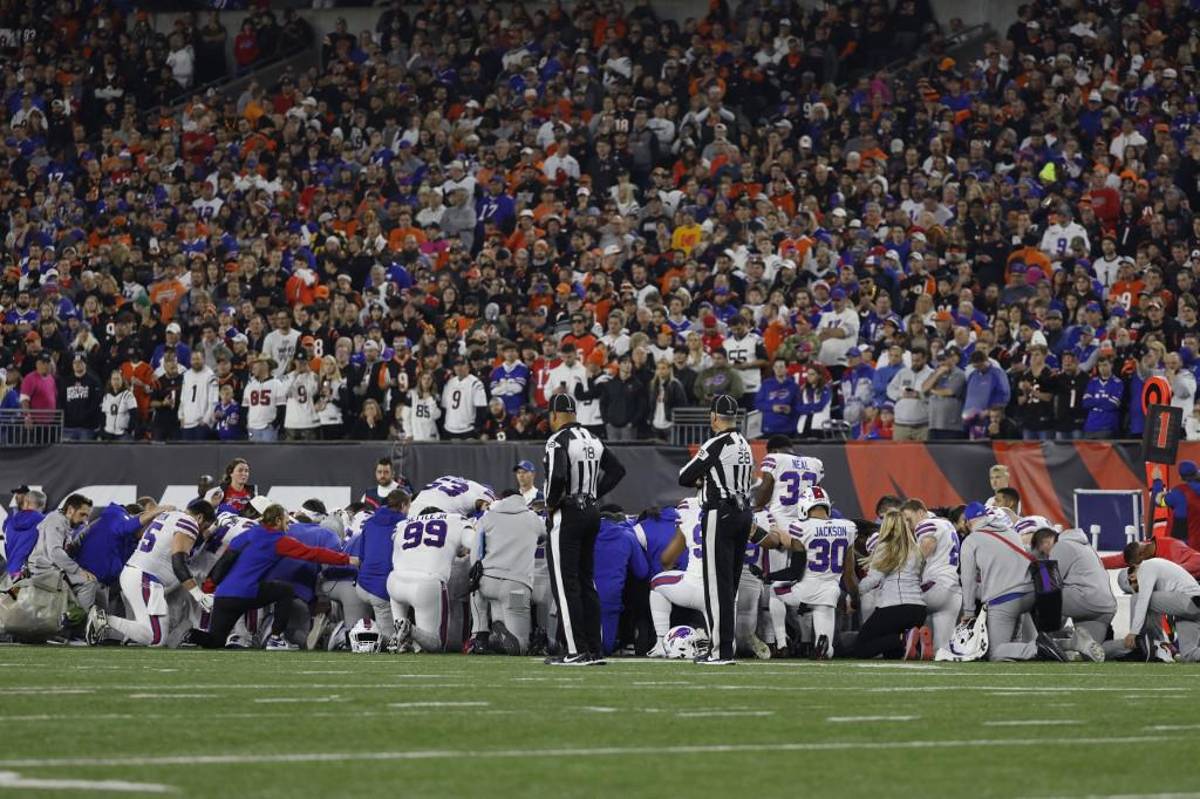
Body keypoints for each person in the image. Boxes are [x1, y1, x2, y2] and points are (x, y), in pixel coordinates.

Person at [192, 503, 356, 650]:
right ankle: (276, 638)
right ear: (277, 521)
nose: (288, 524)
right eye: (285, 521)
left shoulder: (249, 534)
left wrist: (210, 587)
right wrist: (347, 559)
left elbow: (226, 560)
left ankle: (190, 635)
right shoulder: (278, 540)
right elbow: (313, 553)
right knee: (285, 590)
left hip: (224, 595)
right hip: (247, 593)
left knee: (215, 641)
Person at [542, 393, 627, 665]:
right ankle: (593, 648)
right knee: (586, 582)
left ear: (554, 415)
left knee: (566, 585)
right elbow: (617, 471)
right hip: (591, 511)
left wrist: (551, 505)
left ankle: (575, 649)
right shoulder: (593, 438)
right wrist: (593, 494)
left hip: (568, 513)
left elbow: (557, 476)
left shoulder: (558, 440)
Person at [677, 394, 754, 664]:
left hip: (720, 513)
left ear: (713, 417)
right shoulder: (744, 443)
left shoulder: (716, 443)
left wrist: (704, 480)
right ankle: (725, 646)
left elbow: (684, 475)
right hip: (744, 512)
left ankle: (720, 649)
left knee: (717, 584)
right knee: (729, 584)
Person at [85, 500, 216, 647]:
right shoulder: (190, 522)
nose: (200, 531)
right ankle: (105, 621)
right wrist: (199, 595)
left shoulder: (169, 516)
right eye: (203, 527)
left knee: (154, 635)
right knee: (156, 638)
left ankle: (104, 628)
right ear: (199, 517)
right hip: (144, 578)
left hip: (137, 574)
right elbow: (178, 563)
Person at [958, 503, 1067, 662]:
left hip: (1005, 599)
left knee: (996, 652)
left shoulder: (971, 540)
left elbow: (968, 581)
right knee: (1014, 644)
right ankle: (1061, 645)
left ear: (968, 522)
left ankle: (1036, 648)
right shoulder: (1011, 532)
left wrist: (968, 612)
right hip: (1031, 593)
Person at [765, 486, 856, 658]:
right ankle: (821, 645)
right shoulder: (848, 527)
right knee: (828, 652)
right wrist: (855, 599)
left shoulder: (800, 527)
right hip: (829, 594)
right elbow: (849, 573)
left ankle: (782, 643)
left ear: (804, 506)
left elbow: (794, 573)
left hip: (804, 592)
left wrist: (768, 576)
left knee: (775, 589)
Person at [387, 507, 476, 653]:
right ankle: (409, 629)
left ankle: (403, 640)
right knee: (435, 644)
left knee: (404, 630)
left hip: (394, 581)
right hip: (426, 582)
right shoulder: (455, 520)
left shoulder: (403, 524)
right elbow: (473, 542)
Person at [468, 488, 542, 654]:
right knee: (521, 646)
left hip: (488, 582)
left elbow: (475, 553)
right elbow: (547, 536)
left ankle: (482, 633)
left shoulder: (489, 517)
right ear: (521, 499)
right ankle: (500, 634)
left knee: (478, 591)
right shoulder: (533, 519)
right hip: (516, 587)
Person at [852, 510, 929, 659]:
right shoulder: (916, 548)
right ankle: (911, 642)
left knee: (861, 648)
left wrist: (854, 593)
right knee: (892, 654)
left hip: (895, 608)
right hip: (919, 610)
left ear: (885, 526)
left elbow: (874, 579)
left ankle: (905, 639)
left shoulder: (886, 546)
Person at [1031, 527, 1113, 661]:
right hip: (1105, 607)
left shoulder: (1061, 545)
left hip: (1084, 599)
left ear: (1046, 542)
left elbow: (1049, 583)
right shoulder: (1085, 546)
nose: (1046, 556)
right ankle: (1132, 645)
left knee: (1037, 590)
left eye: (1043, 552)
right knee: (1090, 651)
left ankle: (1039, 640)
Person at [900, 498, 962, 652]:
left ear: (921, 512)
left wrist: (907, 570)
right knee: (941, 650)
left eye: (909, 519)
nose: (908, 525)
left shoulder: (925, 523)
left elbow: (927, 545)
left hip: (934, 586)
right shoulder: (946, 524)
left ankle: (901, 641)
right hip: (953, 589)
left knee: (896, 604)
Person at [351, 489, 410, 641]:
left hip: (361, 585)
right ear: (403, 505)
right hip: (381, 590)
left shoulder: (369, 522)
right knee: (390, 642)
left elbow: (362, 557)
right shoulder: (404, 524)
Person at [27, 494, 96, 614]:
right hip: (44, 572)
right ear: (70, 510)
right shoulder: (56, 521)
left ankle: (75, 621)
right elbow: (55, 552)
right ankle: (81, 626)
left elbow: (66, 549)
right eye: (82, 514)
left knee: (90, 579)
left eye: (87, 516)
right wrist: (78, 570)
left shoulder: (63, 521)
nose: (85, 520)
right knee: (89, 583)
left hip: (52, 570)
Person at [1122, 558, 1200, 661]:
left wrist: (1134, 632)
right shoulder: (1156, 566)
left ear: (1131, 577)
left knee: (1138, 598)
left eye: (1136, 587)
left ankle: (1141, 648)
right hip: (1193, 605)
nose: (1139, 588)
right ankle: (1159, 646)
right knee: (1189, 655)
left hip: (1189, 600)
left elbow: (1143, 600)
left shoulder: (1145, 567)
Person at [1103, 536, 1200, 577]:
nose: (1138, 566)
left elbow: (1197, 561)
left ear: (1142, 555)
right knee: (1124, 576)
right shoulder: (1139, 550)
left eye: (1138, 563)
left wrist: (1165, 573)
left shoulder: (1173, 547)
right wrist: (1091, 562)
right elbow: (1117, 560)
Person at [3, 488, 46, 580]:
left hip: (11, 571)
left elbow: (6, 544)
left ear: (25, 502)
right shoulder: (44, 521)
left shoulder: (10, 521)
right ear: (43, 505)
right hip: (30, 574)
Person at [441, 358, 488, 440]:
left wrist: (477, 428)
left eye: (462, 365)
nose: (459, 368)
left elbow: (481, 408)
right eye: (457, 365)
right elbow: (445, 407)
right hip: (449, 428)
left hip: (467, 430)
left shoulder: (475, 383)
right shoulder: (449, 383)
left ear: (468, 367)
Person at [179, 351, 218, 440]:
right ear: (190, 361)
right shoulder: (186, 375)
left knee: (201, 453)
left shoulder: (210, 376)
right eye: (193, 359)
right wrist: (181, 416)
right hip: (187, 422)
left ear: (203, 360)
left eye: (198, 359)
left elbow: (213, 401)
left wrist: (206, 420)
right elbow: (183, 398)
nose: (196, 361)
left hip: (201, 423)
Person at [1163, 460, 1200, 550]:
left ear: (1180, 477)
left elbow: (1159, 501)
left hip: (1183, 549)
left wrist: (1157, 482)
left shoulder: (1179, 493)